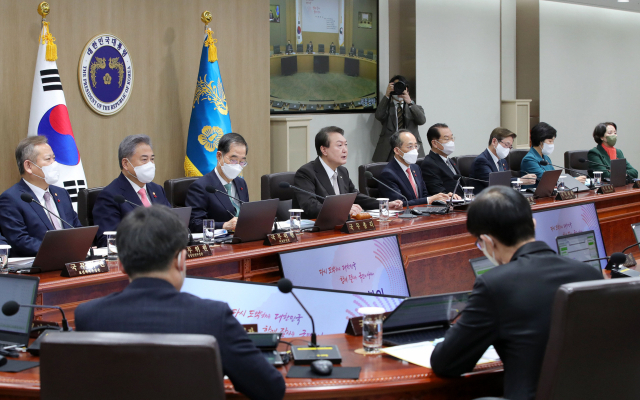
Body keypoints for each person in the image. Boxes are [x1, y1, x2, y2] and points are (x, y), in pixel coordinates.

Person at [75, 206, 285, 400]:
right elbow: (270, 388)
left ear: (121, 264)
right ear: (181, 260)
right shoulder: (213, 316)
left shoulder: (88, 316)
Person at [430, 186, 602, 400]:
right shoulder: (588, 273)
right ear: (534, 225)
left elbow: (446, 363)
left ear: (488, 241)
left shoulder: (495, 284)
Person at [292, 126, 403, 219]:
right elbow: (311, 206)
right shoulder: (306, 173)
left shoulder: (342, 171)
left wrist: (383, 205)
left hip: (339, 226)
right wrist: (342, 209)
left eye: (346, 144)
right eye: (339, 145)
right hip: (315, 230)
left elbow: (355, 196)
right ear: (324, 150)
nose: (345, 150)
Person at [0, 136, 83, 257]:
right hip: (38, 263)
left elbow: (76, 228)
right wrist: (60, 250)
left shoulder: (61, 193)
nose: (54, 164)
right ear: (29, 166)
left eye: (54, 158)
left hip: (71, 259)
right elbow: (20, 241)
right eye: (48, 159)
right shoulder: (11, 199)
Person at [93, 135, 171, 247]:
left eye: (152, 159)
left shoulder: (157, 190)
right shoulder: (110, 196)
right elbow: (108, 240)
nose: (150, 165)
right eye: (144, 159)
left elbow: (172, 223)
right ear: (125, 164)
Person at [186, 133, 248, 232]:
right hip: (218, 240)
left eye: (241, 162)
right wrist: (224, 225)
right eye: (233, 160)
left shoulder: (241, 183)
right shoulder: (201, 187)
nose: (237, 166)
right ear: (219, 156)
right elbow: (194, 223)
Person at [379, 130, 453, 206]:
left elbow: (424, 195)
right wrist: (429, 199)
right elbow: (399, 204)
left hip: (421, 211)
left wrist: (444, 197)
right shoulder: (388, 174)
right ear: (397, 150)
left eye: (416, 146)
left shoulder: (415, 168)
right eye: (410, 147)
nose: (414, 150)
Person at [373, 75, 426, 162]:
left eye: (401, 86)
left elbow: (422, 120)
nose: (398, 89)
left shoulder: (414, 107)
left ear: (407, 89)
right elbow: (379, 116)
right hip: (389, 149)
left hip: (411, 147)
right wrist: (387, 95)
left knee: (412, 169)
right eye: (395, 86)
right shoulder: (386, 107)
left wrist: (410, 102)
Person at [470, 127, 536, 194]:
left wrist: (522, 179)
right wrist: (520, 180)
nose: (508, 149)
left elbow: (507, 179)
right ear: (494, 141)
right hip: (485, 199)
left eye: (510, 147)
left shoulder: (502, 161)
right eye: (506, 145)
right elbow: (494, 183)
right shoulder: (481, 161)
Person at [521, 122, 587, 184]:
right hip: (534, 192)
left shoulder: (546, 158)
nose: (552, 144)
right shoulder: (529, 159)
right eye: (550, 141)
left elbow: (555, 177)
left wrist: (574, 179)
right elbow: (547, 179)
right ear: (540, 141)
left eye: (553, 141)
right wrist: (573, 180)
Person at [420, 123, 464, 197]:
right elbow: (437, 192)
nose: (451, 142)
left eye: (452, 138)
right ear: (434, 143)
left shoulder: (450, 161)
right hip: (451, 202)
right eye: (447, 139)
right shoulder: (429, 164)